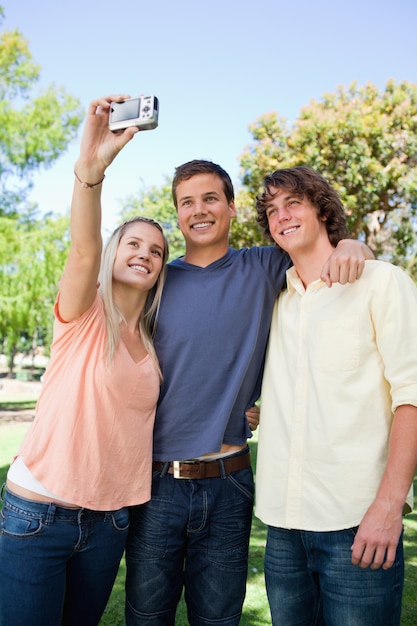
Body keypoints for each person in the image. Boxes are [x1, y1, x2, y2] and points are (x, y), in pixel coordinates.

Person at [125, 159, 374, 626]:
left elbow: (318, 250)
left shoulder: (263, 265)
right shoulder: (155, 281)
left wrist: (354, 243)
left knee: (219, 619)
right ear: (177, 214)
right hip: (155, 483)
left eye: (210, 198)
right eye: (187, 202)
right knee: (145, 617)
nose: (199, 210)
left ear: (232, 208)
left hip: (230, 483)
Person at [0, 95, 169, 626]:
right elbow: (82, 250)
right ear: (115, 251)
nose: (144, 253)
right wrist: (91, 172)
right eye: (133, 243)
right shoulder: (83, 314)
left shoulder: (154, 340)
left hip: (109, 523)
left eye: (157, 250)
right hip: (38, 514)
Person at [255, 165, 417, 626]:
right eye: (272, 210)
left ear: (322, 211)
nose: (281, 216)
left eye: (293, 203)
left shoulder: (381, 283)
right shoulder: (274, 299)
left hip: (359, 522)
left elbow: (412, 396)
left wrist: (389, 507)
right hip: (282, 526)